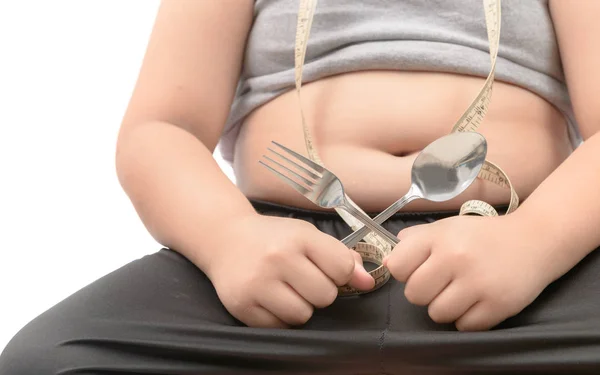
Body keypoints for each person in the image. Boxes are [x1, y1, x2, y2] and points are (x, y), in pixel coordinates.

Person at [2, 0, 600, 374]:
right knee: (45, 363)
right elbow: (160, 129)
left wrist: (535, 243)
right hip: (280, 257)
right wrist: (228, 238)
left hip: (515, 258)